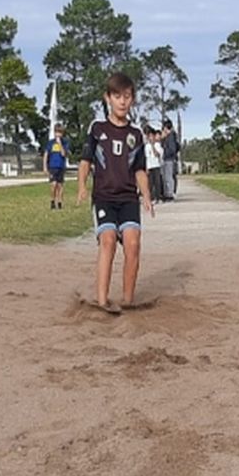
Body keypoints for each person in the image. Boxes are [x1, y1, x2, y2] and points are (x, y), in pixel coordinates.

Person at [76, 72, 155, 313]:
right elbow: (85, 161)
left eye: (127, 97)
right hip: (104, 199)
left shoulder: (136, 135)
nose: (122, 101)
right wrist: (82, 186)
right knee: (108, 240)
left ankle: (128, 300)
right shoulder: (97, 129)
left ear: (132, 100)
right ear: (107, 98)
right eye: (117, 96)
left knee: (133, 243)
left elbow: (140, 169)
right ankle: (102, 300)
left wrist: (147, 196)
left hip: (128, 198)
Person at [44, 124, 71, 209]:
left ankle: (59, 202)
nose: (58, 134)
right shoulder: (51, 143)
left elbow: (63, 154)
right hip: (52, 166)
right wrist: (45, 166)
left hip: (61, 166)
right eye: (57, 132)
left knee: (60, 185)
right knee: (53, 185)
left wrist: (60, 145)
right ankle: (52, 201)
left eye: (60, 133)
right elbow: (46, 155)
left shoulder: (65, 143)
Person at [160, 117, 180, 201]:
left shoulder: (171, 136)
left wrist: (165, 153)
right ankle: (168, 193)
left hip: (169, 159)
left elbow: (172, 149)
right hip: (168, 158)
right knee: (166, 177)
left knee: (169, 177)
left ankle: (170, 194)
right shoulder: (169, 136)